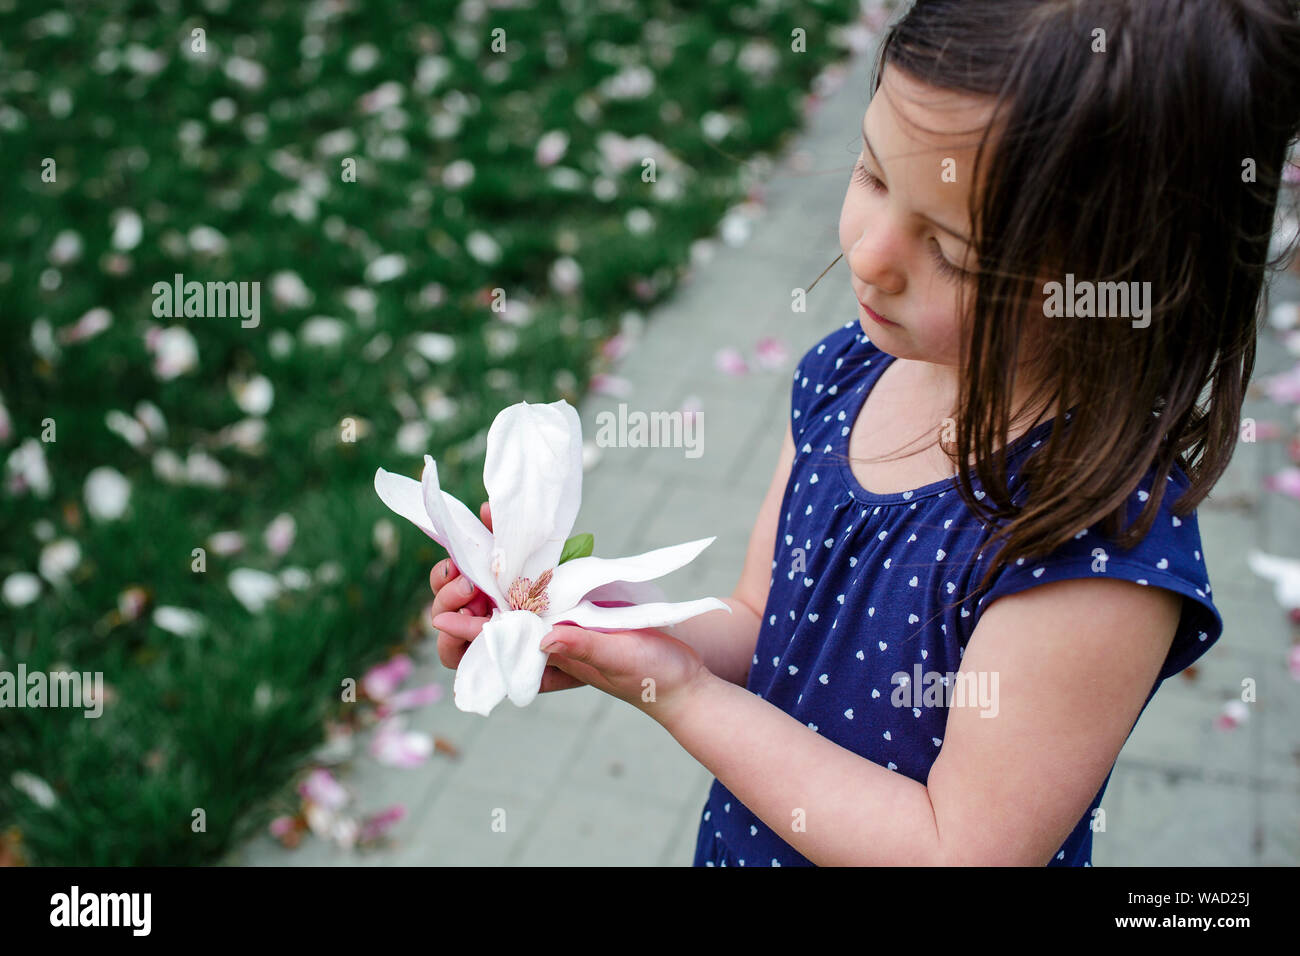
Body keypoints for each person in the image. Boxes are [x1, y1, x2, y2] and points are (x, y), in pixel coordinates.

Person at [429, 0, 1300, 865]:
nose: (870, 252)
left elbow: (958, 849)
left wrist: (685, 696)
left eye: (953, 247)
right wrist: (604, 631)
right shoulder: (848, 374)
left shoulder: (1094, 542)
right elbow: (760, 623)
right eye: (875, 174)